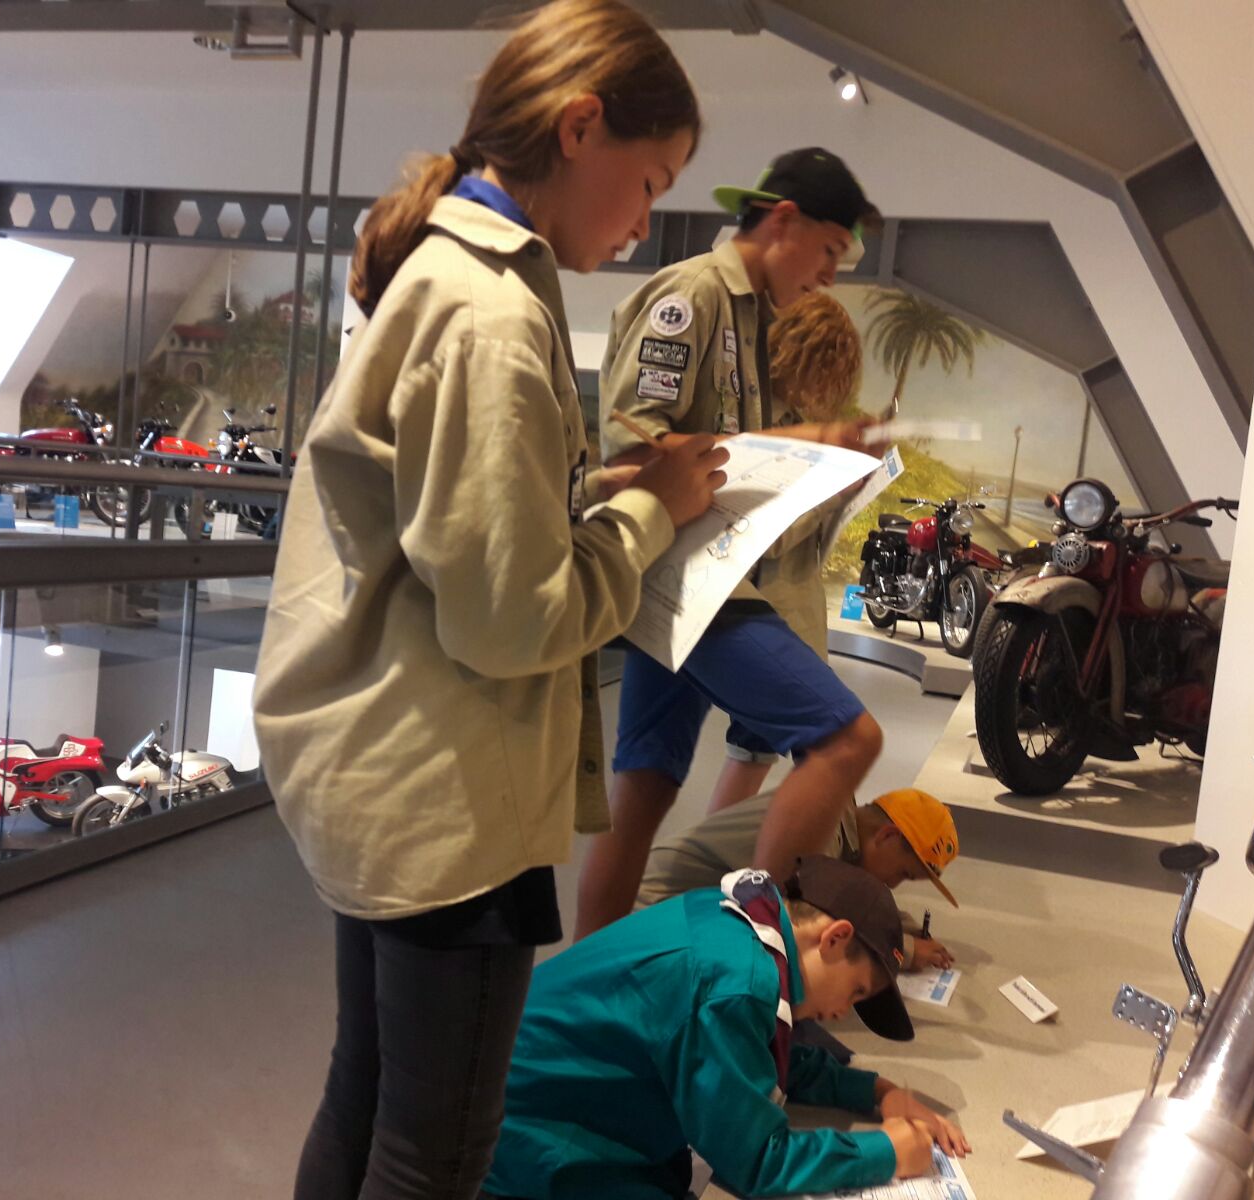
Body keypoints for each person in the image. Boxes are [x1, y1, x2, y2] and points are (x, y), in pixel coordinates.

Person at [251, 4, 724, 1196]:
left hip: (389, 767)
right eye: (650, 181)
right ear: (581, 126)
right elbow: (510, 623)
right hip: (448, 796)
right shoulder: (493, 314)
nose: (644, 220)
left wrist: (596, 495)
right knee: (435, 1151)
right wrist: (649, 517)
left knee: (366, 1094)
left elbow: (452, 529)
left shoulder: (449, 276)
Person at [575, 148, 887, 939]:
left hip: (694, 574)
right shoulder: (691, 299)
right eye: (828, 250)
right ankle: (760, 951)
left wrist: (821, 457)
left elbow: (726, 453)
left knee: (645, 788)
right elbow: (636, 451)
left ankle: (587, 974)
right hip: (687, 577)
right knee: (847, 740)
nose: (828, 275)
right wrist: (811, 440)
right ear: (783, 220)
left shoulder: (751, 319)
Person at [482, 856, 971, 1200]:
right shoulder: (735, 985)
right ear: (835, 938)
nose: (844, 1011)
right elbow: (757, 1161)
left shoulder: (743, 921)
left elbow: (758, 1053)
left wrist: (877, 1091)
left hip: (537, 1103)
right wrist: (886, 1152)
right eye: (856, 991)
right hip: (529, 1144)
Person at [707, 290, 868, 814]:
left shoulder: (777, 418)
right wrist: (835, 494)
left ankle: (716, 857)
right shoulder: (771, 430)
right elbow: (766, 533)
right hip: (767, 611)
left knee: (754, 749)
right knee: (825, 742)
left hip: (777, 609)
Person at [641, 787, 959, 970]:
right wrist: (905, 952)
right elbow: (809, 931)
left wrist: (897, 926)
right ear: (887, 836)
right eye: (904, 873)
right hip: (654, 918)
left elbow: (846, 897)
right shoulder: (820, 832)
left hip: (685, 912)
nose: (893, 884)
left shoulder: (838, 818)